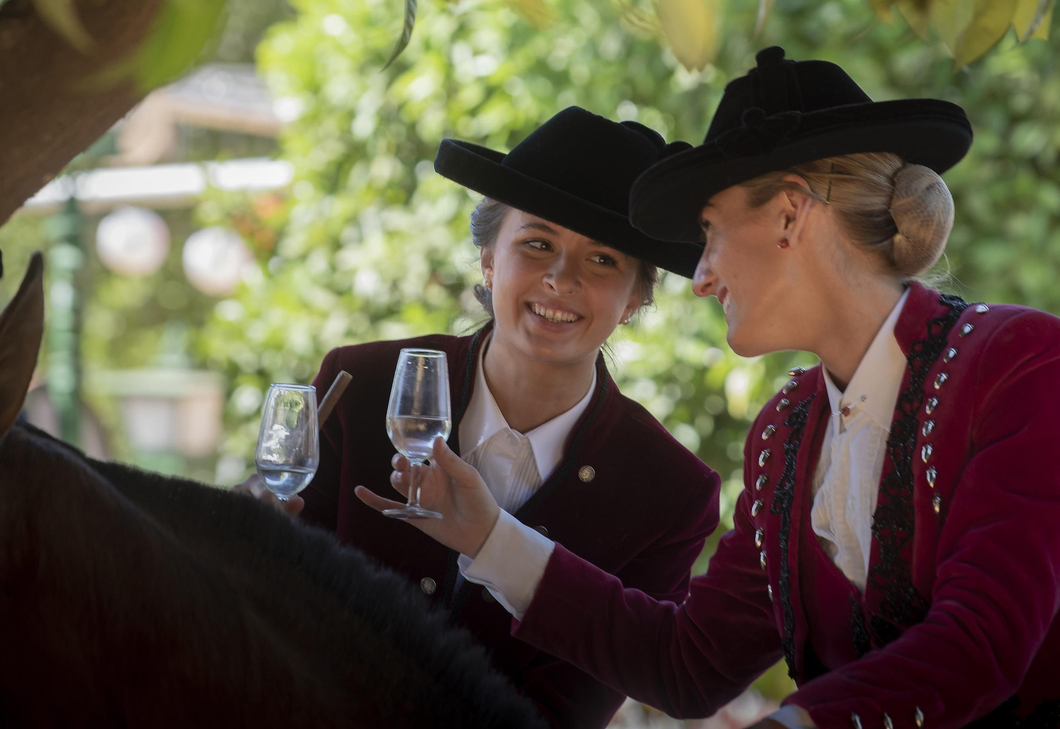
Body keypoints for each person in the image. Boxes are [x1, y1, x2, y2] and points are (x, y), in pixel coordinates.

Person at [369, 48, 1060, 729]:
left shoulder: (1025, 362)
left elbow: (980, 642)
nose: (701, 277)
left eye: (709, 231)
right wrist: (487, 535)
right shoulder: (785, 433)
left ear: (789, 215)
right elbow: (689, 665)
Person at [240, 107, 722, 729]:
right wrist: (239, 532)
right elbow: (266, 605)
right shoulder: (357, 387)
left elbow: (564, 713)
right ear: (489, 260)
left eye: (602, 259)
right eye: (537, 244)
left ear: (634, 298)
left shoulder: (670, 493)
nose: (561, 279)